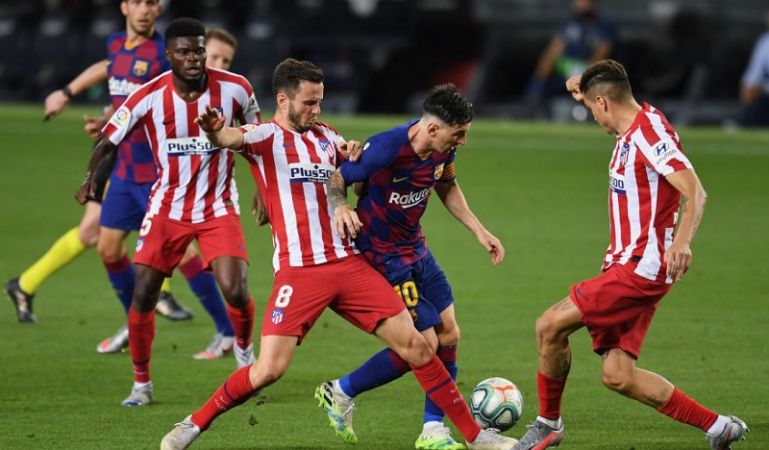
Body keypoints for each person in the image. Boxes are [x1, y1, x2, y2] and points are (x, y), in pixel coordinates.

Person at [159, 58, 518, 450]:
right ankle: (193, 424)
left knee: (419, 345)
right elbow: (229, 138)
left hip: (350, 264)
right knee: (268, 370)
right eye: (309, 102)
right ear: (283, 100)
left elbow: (357, 177)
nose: (317, 110)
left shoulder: (328, 136)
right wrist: (214, 130)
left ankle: (474, 437)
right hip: (300, 272)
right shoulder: (264, 136)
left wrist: (354, 157)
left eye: (320, 102)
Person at [512, 59, 748, 450]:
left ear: (603, 103)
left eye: (592, 108)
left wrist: (682, 241)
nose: (593, 117)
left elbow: (696, 191)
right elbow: (608, 90)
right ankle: (719, 426)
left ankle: (548, 424)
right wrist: (584, 88)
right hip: (626, 265)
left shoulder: (650, 135)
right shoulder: (632, 123)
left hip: (642, 269)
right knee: (618, 375)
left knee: (548, 326)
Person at [75, 17, 261, 407]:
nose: (193, 58)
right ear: (169, 55)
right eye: (184, 52)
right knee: (143, 295)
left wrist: (265, 191)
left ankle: (244, 352)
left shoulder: (237, 89)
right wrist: (91, 177)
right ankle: (141, 385)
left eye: (199, 50)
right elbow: (109, 140)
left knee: (236, 289)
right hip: (167, 208)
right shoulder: (148, 95)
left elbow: (259, 141)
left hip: (218, 207)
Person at [314, 84, 505, 450]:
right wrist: (341, 206)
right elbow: (338, 177)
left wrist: (479, 230)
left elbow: (447, 185)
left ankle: (432, 429)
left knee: (449, 333)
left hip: (416, 249)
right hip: (384, 257)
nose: (463, 141)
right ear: (432, 128)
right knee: (424, 343)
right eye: (459, 134)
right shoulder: (386, 147)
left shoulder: (442, 149)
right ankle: (342, 390)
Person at [5, 0, 193, 325]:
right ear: (124, 7)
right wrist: (67, 92)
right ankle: (163, 294)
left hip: (136, 146)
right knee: (155, 225)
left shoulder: (163, 54)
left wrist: (109, 117)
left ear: (159, 9)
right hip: (117, 150)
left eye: (151, 3)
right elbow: (111, 70)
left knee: (102, 230)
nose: (144, 10)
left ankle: (24, 285)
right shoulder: (116, 43)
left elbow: (149, 100)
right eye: (137, 3)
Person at [525, 0, 617, 111]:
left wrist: (580, 74)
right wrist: (538, 82)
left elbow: (600, 57)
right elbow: (552, 53)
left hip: (589, 80)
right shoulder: (570, 24)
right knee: (544, 76)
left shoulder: (605, 25)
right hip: (564, 80)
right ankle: (533, 101)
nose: (579, 3)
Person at [738, 9, 769, 127]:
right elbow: (754, 70)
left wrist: (763, 89)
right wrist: (747, 85)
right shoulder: (764, 40)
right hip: (760, 98)